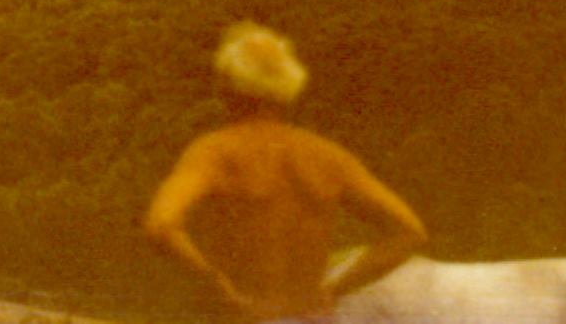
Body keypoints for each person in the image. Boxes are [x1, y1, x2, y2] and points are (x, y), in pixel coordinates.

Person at [144, 22, 427, 323]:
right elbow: (409, 231)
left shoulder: (215, 152)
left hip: (246, 316)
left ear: (226, 86)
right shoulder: (327, 155)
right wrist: (336, 287)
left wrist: (216, 283)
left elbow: (162, 224)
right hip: (311, 315)